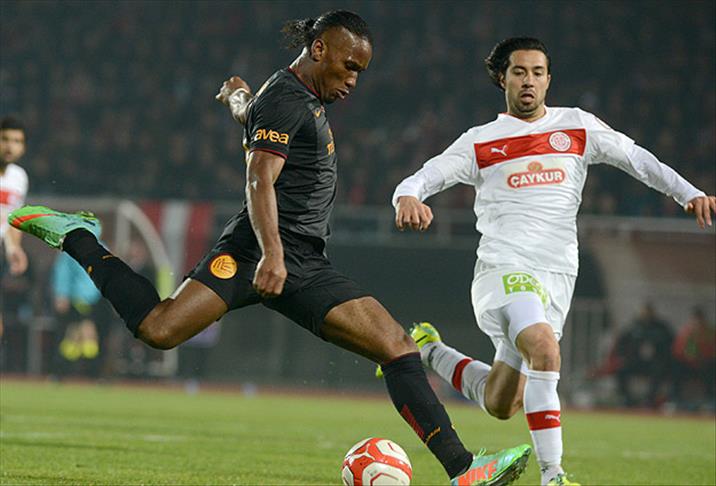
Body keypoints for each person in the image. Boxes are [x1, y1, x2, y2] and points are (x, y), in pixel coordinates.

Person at [8, 12, 530, 485]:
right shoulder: (287, 98)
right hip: (261, 251)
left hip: (303, 260)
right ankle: (77, 236)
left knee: (397, 347)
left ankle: (464, 470)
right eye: (349, 66)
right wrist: (273, 254)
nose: (353, 80)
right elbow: (259, 179)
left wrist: (237, 99)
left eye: (360, 72)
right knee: (159, 329)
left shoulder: (289, 97)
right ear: (320, 49)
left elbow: (254, 118)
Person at [387, 37, 716, 486]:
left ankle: (427, 348)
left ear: (548, 80)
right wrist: (407, 195)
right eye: (519, 72)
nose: (529, 81)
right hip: (504, 269)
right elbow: (425, 175)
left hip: (557, 277)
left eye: (537, 72)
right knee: (544, 348)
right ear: (502, 78)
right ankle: (553, 475)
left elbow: (636, 158)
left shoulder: (576, 126)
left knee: (502, 402)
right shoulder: (481, 141)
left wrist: (688, 193)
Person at [0, 116, 29, 338]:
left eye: (17, 141)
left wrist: (14, 249)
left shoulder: (19, 177)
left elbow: (12, 219)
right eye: (5, 139)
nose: (10, 146)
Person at [613, 303, 674, 407]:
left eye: (648, 313)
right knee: (621, 370)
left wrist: (664, 358)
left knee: (659, 371)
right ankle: (627, 399)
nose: (646, 315)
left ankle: (650, 400)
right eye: (644, 313)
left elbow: (671, 343)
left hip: (655, 362)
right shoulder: (634, 326)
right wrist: (623, 356)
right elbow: (621, 343)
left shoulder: (661, 327)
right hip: (637, 361)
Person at [672, 307, 716, 409]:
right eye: (696, 319)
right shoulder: (686, 332)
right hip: (688, 365)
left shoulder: (710, 333)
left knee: (710, 370)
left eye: (700, 319)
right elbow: (681, 351)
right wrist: (692, 357)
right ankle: (675, 398)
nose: (698, 322)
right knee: (675, 368)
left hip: (706, 365)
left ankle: (710, 399)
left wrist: (704, 358)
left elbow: (712, 350)